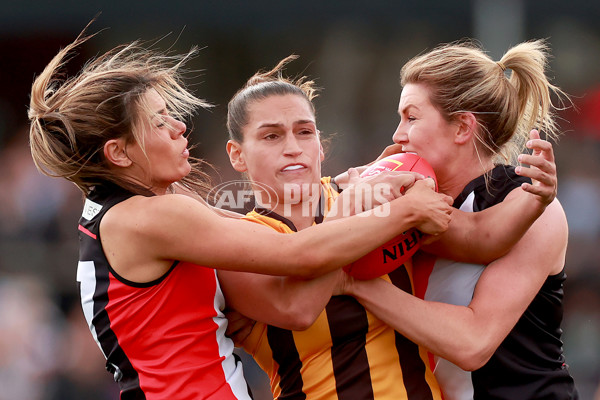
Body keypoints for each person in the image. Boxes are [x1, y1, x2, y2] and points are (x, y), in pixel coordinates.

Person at [26, 27, 455, 399]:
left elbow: (281, 239)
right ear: (118, 153)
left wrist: (351, 184)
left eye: (305, 132)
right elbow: (301, 257)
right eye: (159, 122)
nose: (179, 127)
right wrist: (403, 211)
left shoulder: (139, 210)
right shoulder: (147, 217)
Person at [218, 55, 560, 400]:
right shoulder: (236, 246)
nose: (293, 148)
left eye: (304, 132)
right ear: (237, 155)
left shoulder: (381, 196)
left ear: (320, 143)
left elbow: (476, 236)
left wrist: (537, 199)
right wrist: (386, 210)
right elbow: (298, 308)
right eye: (271, 136)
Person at [339, 39, 579, 399]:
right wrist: (347, 199)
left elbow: (472, 343)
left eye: (411, 117)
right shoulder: (405, 192)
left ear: (462, 128)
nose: (397, 135)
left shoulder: (528, 206)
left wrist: (356, 284)